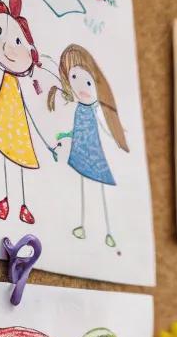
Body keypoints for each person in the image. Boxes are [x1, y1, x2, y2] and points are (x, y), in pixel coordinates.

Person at [0, 0, 55, 225]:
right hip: (4, 116)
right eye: (0, 33)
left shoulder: (23, 80)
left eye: (17, 40)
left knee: (16, 159)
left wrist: (46, 140)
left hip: (16, 120)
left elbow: (31, 104)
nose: (9, 47)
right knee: (7, 159)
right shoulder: (1, 70)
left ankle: (21, 204)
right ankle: (10, 201)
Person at [47, 44, 129, 246]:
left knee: (99, 190)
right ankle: (83, 226)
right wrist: (66, 135)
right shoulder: (78, 109)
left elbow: (105, 126)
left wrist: (117, 135)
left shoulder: (96, 109)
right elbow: (77, 129)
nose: (81, 86)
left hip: (95, 154)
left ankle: (108, 231)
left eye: (88, 81)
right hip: (81, 153)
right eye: (73, 77)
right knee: (84, 187)